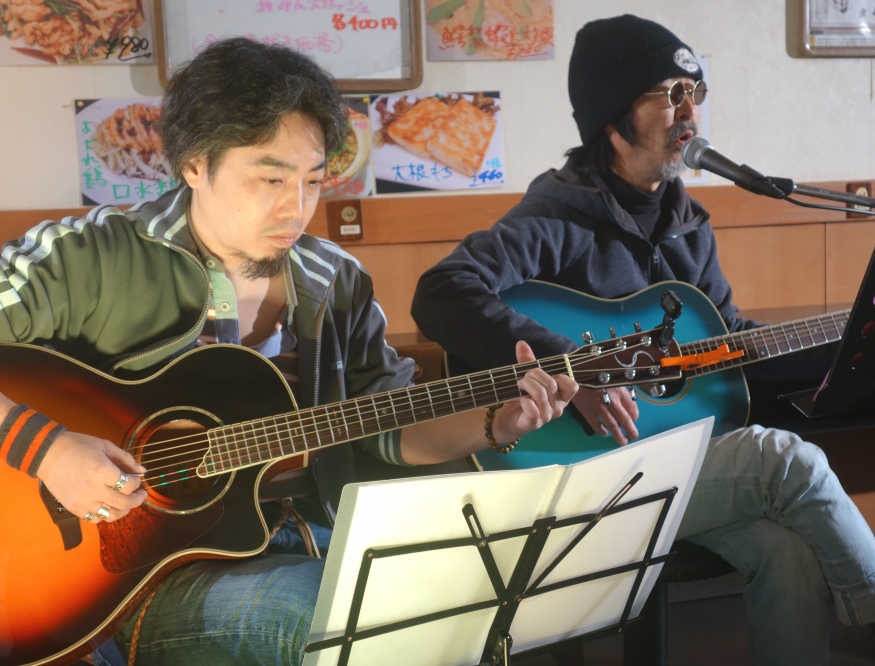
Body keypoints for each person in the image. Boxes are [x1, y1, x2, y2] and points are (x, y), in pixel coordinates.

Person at [411, 14, 875, 666]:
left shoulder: (687, 225)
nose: (690, 112)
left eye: (696, 91)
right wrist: (574, 370)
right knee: (785, 459)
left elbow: (726, 341)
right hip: (575, 479)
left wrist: (858, 340)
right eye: (669, 93)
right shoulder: (554, 216)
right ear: (612, 113)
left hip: (673, 462)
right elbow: (440, 291)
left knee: (786, 547)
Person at [0, 38, 576, 666]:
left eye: (312, 181)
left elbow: (383, 426)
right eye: (270, 178)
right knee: (351, 621)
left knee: (471, 604)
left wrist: (495, 422)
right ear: (195, 164)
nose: (296, 208)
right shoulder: (89, 257)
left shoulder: (335, 282)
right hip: (132, 577)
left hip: (318, 539)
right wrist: (47, 448)